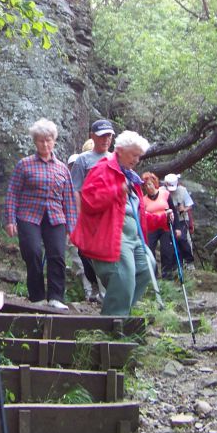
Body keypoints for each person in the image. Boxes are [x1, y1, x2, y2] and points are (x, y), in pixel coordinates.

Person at [71, 130, 170, 317]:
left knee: (146, 266)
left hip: (134, 235)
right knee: (123, 274)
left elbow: (136, 213)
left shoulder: (131, 176)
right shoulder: (102, 169)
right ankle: (114, 321)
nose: (136, 160)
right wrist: (117, 190)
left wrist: (162, 219)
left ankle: (118, 313)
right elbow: (89, 201)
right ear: (120, 150)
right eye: (134, 155)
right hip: (113, 233)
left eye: (139, 156)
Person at [4, 118, 77, 310]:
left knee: (57, 255)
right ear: (35, 142)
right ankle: (37, 297)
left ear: (54, 141)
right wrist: (10, 219)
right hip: (29, 215)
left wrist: (72, 227)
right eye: (40, 140)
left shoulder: (62, 168)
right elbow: (13, 192)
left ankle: (56, 297)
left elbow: (68, 198)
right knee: (33, 252)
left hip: (55, 217)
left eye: (48, 140)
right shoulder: (24, 165)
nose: (45, 144)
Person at [69, 119, 116, 298]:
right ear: (92, 136)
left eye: (109, 136)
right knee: (86, 252)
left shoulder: (115, 159)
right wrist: (79, 218)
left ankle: (109, 295)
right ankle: (98, 287)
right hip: (90, 217)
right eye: (102, 135)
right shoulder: (83, 161)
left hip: (112, 216)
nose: (106, 139)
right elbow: (76, 190)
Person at [162, 173, 195, 276]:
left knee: (183, 239)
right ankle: (176, 264)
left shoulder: (182, 190)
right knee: (172, 242)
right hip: (167, 220)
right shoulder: (161, 191)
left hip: (181, 219)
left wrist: (183, 209)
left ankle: (189, 261)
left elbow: (189, 204)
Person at [141, 172, 170, 273]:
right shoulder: (143, 200)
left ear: (154, 183)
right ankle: (154, 274)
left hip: (166, 225)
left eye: (150, 184)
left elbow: (173, 210)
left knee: (166, 250)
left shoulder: (165, 194)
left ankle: (167, 275)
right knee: (150, 250)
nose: (148, 187)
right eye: (145, 185)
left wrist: (177, 227)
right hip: (151, 227)